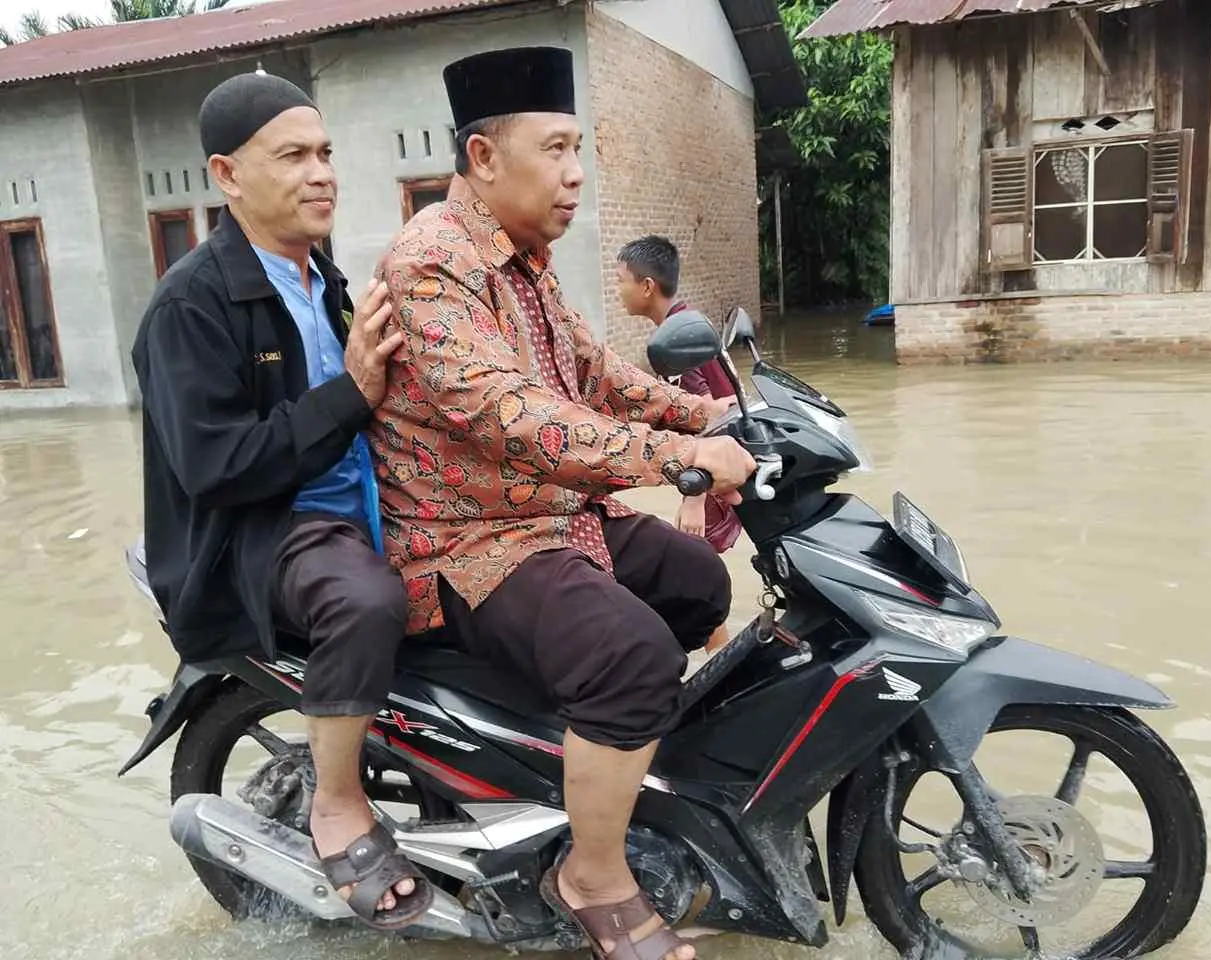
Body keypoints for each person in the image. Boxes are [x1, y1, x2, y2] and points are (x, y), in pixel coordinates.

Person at [369, 46, 756, 960]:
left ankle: (619, 771)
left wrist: (719, 409)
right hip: (465, 541)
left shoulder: (527, 258)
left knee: (700, 582)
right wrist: (680, 453)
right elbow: (509, 414)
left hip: (550, 516)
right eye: (555, 149)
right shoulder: (433, 263)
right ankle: (591, 874)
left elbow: (595, 373)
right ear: (483, 158)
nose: (576, 174)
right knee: (629, 659)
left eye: (579, 149)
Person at [131, 72, 434, 930]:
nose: (322, 173)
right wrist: (354, 390)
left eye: (327, 152)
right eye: (293, 156)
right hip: (263, 532)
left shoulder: (323, 280)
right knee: (368, 599)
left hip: (355, 504)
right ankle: (335, 802)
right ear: (228, 177)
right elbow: (218, 467)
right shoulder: (188, 306)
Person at [617, 235, 743, 655]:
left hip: (711, 468)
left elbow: (703, 415)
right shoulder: (688, 324)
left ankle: (720, 668)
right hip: (725, 460)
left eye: (622, 281)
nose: (619, 290)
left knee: (690, 573)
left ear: (647, 286)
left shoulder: (671, 342)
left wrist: (694, 493)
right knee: (696, 571)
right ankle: (718, 659)